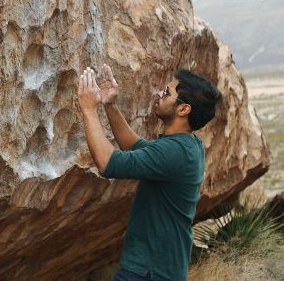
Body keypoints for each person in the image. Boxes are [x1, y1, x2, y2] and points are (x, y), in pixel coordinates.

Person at [77, 64, 222, 281]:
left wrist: (89, 109)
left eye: (167, 93)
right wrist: (109, 105)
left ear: (183, 110)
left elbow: (107, 163)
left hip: (150, 272)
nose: (159, 95)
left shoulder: (175, 151)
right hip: (157, 269)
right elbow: (133, 146)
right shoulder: (187, 145)